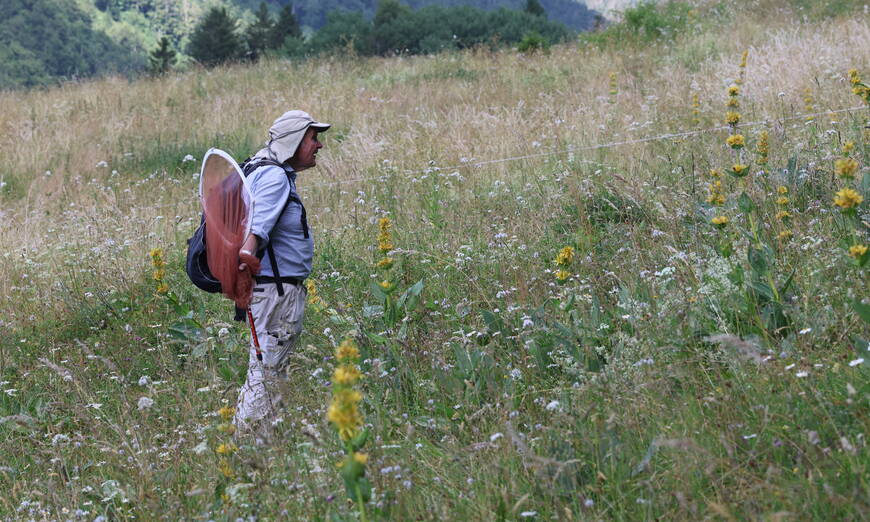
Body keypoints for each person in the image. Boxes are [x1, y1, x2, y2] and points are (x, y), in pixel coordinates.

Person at [233, 110, 329, 439]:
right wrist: (246, 262)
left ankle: (259, 450)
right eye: (313, 138)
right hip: (276, 294)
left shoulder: (258, 169)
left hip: (269, 292)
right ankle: (248, 454)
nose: (319, 145)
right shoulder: (274, 177)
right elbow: (254, 236)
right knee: (267, 376)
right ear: (293, 141)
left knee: (266, 372)